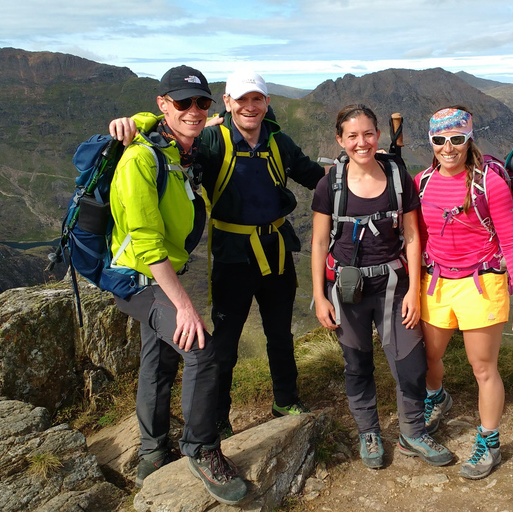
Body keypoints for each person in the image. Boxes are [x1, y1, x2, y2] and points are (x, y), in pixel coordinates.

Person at [111, 70, 326, 437]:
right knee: (225, 342)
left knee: (280, 332)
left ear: (266, 102)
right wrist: (134, 122)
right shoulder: (211, 139)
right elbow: (170, 134)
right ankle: (218, 417)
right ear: (228, 103)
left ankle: (286, 399)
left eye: (256, 98)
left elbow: (315, 177)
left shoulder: (279, 141)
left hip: (276, 250)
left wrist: (363, 169)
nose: (250, 106)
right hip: (232, 256)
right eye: (241, 99)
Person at [107, 65, 246, 505]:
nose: (193, 111)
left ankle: (151, 451)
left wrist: (188, 122)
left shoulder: (176, 149)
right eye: (182, 102)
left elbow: (181, 124)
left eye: (201, 102)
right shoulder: (141, 159)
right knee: (201, 350)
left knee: (159, 357)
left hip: (153, 273)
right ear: (162, 104)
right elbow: (148, 245)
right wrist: (184, 307)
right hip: (138, 276)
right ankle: (202, 448)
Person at [310, 104, 453, 469]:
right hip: (346, 289)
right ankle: (368, 431)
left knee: (410, 363)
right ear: (340, 140)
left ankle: (413, 431)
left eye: (369, 134)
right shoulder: (331, 184)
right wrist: (319, 296)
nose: (362, 143)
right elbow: (319, 242)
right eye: (353, 136)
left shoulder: (397, 177)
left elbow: (411, 235)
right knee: (357, 364)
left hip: (394, 287)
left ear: (379, 135)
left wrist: (414, 292)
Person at [416, 106, 513, 480]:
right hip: (435, 282)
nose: (447, 148)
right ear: (431, 141)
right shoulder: (421, 182)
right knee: (428, 359)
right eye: (439, 140)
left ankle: (489, 442)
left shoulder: (489, 184)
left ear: (469, 139)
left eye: (456, 139)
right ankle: (436, 398)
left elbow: (511, 242)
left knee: (483, 368)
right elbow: (416, 237)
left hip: (481, 284)